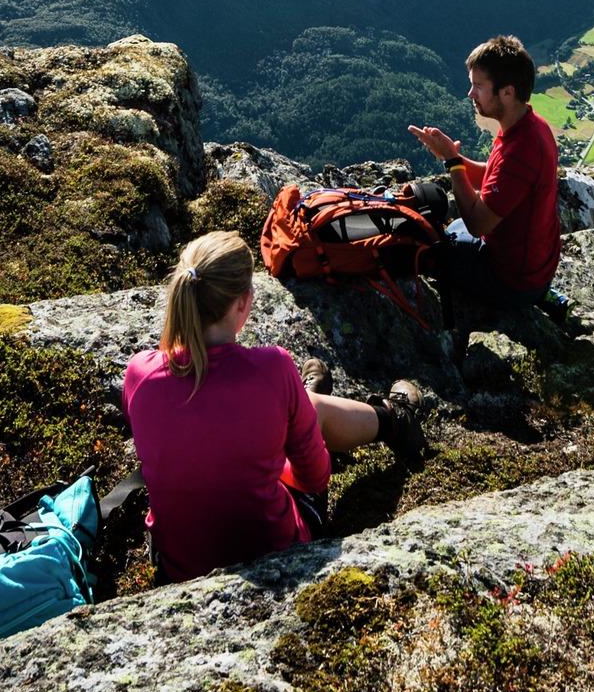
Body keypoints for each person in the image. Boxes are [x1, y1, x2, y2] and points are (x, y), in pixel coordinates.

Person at [122, 232, 426, 583]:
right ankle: (394, 418)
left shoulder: (140, 372)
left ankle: (300, 411)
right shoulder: (272, 368)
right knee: (313, 409)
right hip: (274, 550)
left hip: (177, 563)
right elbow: (316, 477)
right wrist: (276, 463)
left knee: (290, 411)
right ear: (242, 302)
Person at [407, 34, 562, 336]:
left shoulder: (521, 150)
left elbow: (478, 223)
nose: (470, 94)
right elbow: (491, 174)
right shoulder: (528, 125)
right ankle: (540, 294)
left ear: (507, 92)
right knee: (452, 231)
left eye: (478, 86)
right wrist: (452, 156)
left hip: (514, 281)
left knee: (436, 245)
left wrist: (452, 164)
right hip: (536, 268)